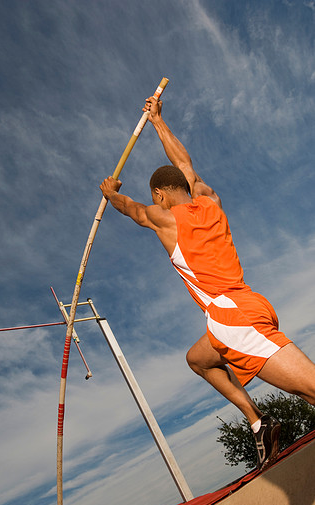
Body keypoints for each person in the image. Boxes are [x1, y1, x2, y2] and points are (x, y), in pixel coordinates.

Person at [100, 96, 315, 471]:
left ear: (159, 195)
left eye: (155, 198)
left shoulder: (164, 219)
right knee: (198, 360)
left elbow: (132, 209)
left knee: (311, 390)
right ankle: (259, 422)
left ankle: (261, 420)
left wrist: (111, 193)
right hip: (250, 304)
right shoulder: (210, 200)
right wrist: (158, 122)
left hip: (233, 319)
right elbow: (185, 164)